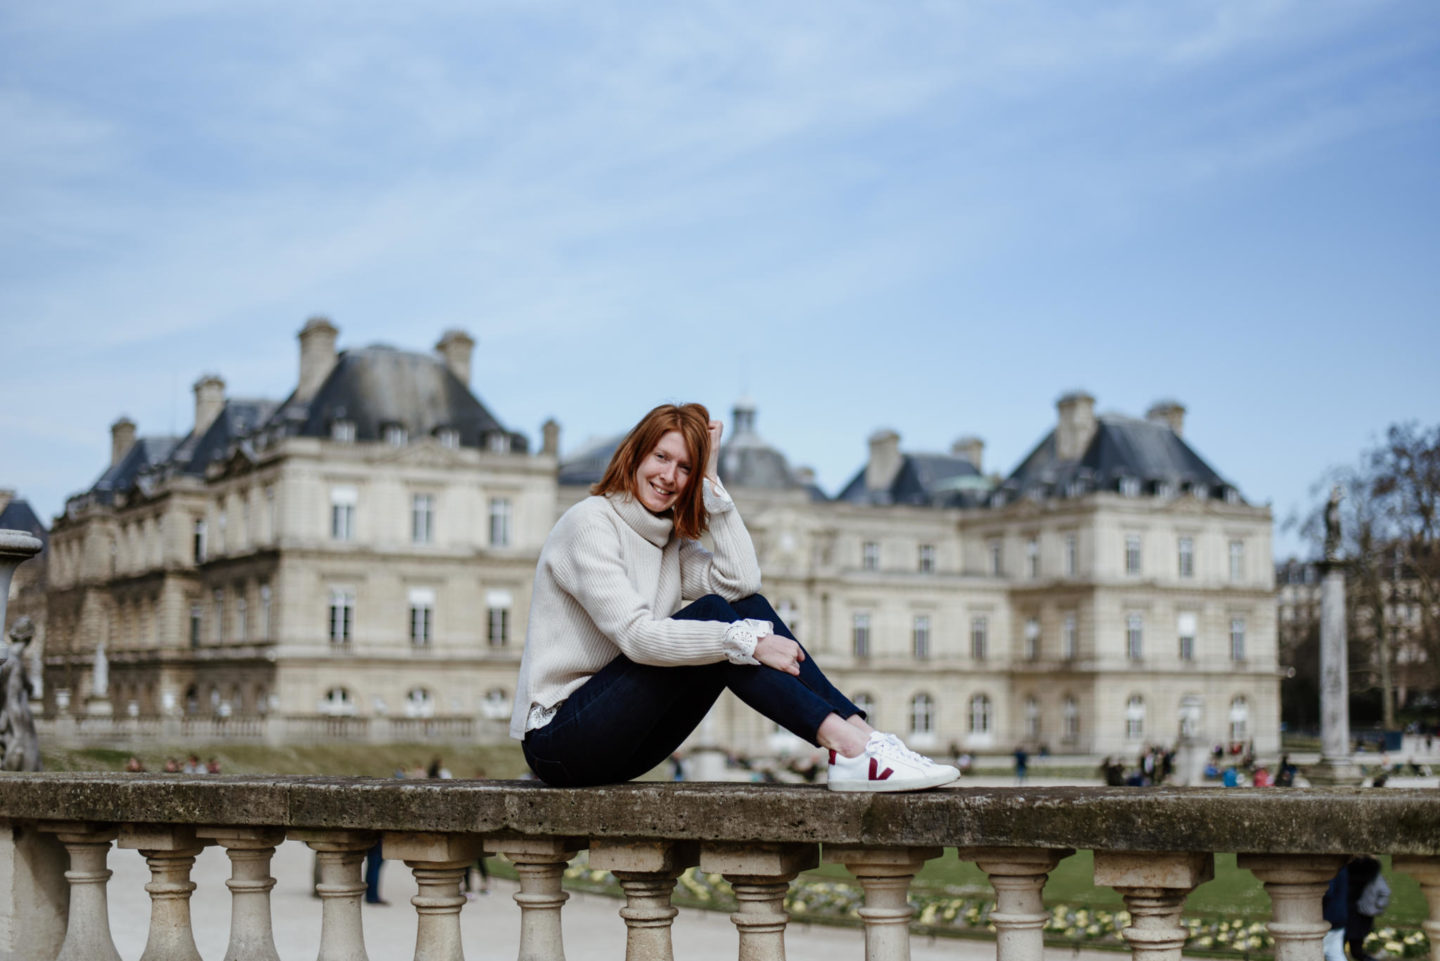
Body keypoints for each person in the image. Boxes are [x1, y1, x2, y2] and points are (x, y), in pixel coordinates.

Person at [510, 403, 959, 792]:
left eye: (685, 468)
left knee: (740, 612)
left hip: (626, 744)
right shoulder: (589, 523)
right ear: (635, 454)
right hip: (560, 741)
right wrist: (747, 643)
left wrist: (713, 484)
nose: (669, 476)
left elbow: (743, 585)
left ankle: (863, 738)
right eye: (661, 457)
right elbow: (637, 638)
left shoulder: (668, 543)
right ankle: (847, 746)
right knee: (719, 622)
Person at [1346, 855, 1389, 961]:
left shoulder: (1353, 869)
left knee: (1340, 950)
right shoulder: (1371, 870)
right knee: (1356, 951)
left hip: (1352, 914)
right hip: (1362, 915)